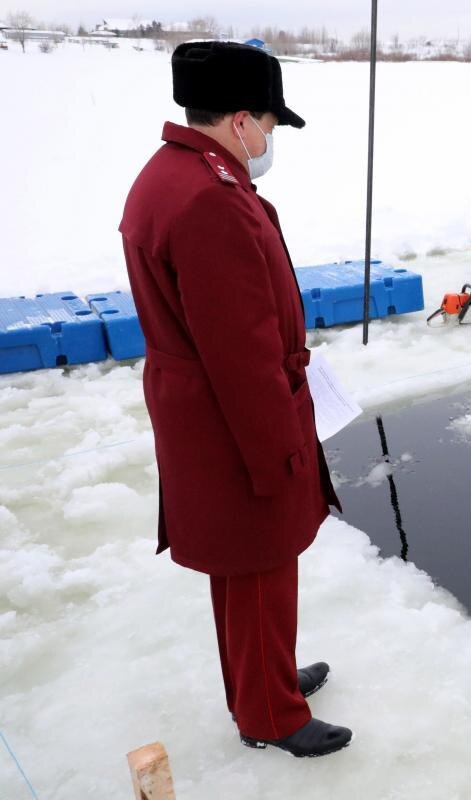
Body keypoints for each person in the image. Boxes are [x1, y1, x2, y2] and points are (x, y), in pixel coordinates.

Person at [119, 41, 352, 758]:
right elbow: (241, 354)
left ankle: (267, 679)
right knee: (258, 560)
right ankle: (268, 715)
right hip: (234, 417)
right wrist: (278, 450)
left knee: (247, 566)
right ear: (243, 120)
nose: (272, 138)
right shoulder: (207, 201)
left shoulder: (176, 173)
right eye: (272, 124)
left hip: (204, 408)